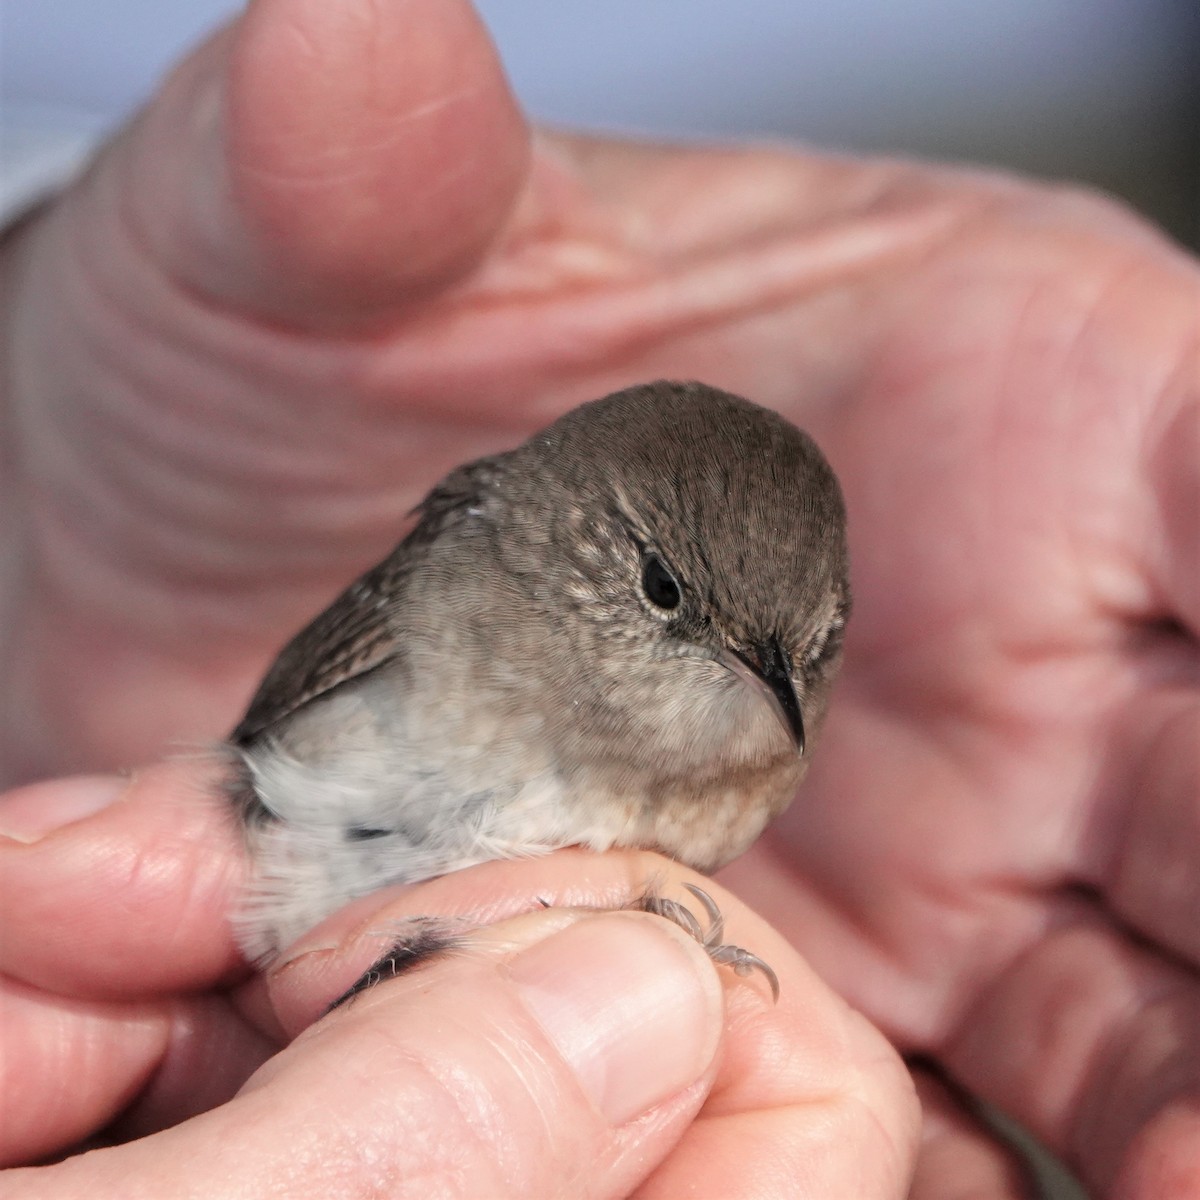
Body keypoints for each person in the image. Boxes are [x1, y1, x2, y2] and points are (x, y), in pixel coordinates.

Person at [1, 0, 1195, 1194]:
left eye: (809, 654)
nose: (776, 698)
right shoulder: (475, 571)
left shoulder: (762, 724)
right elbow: (263, 754)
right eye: (670, 594)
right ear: (590, 539)